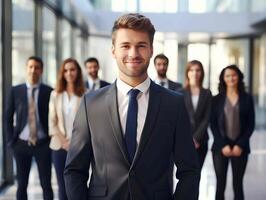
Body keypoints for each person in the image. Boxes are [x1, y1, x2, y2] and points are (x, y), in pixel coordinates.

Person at [64, 13, 200, 200]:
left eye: (141, 46)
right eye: (125, 46)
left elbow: (190, 170)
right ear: (113, 51)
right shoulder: (91, 104)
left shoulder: (174, 104)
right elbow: (74, 170)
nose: (133, 54)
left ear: (151, 50)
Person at [5, 56, 53, 200]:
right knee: (22, 185)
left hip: (43, 144)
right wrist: (10, 141)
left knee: (46, 184)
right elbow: (7, 117)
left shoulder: (49, 91)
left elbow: (54, 117)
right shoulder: (15, 91)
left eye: (37, 67)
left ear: (41, 70)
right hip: (21, 144)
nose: (33, 70)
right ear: (26, 69)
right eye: (30, 67)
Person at [210, 65, 255, 200]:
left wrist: (240, 145)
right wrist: (223, 144)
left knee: (238, 184)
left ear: (239, 77)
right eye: (227, 76)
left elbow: (250, 125)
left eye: (233, 75)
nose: (231, 78)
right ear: (223, 79)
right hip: (220, 148)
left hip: (240, 148)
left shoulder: (247, 98)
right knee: (220, 185)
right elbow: (213, 125)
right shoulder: (216, 99)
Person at [49, 58, 85, 200]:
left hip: (79, 147)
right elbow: (52, 122)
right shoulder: (55, 94)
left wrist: (73, 142)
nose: (69, 73)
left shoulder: (86, 94)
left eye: (72, 70)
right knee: (62, 185)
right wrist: (64, 141)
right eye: (66, 70)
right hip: (59, 146)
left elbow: (86, 123)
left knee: (77, 184)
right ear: (62, 73)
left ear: (78, 72)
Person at [181, 60, 212, 169]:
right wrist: (188, 139)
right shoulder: (179, 93)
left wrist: (196, 139)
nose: (195, 73)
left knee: (197, 174)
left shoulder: (207, 93)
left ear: (202, 73)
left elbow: (207, 118)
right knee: (185, 175)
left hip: (201, 141)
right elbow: (179, 118)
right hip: (183, 141)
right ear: (187, 73)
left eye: (198, 70)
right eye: (191, 70)